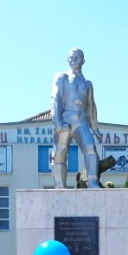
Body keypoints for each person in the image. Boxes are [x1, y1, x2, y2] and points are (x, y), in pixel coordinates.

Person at [50, 47, 102, 189]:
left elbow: (91, 106)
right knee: (59, 153)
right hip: (65, 120)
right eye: (71, 57)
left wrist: (95, 127)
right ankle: (59, 185)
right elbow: (55, 98)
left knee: (90, 148)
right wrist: (56, 120)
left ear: (83, 61)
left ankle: (93, 181)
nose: (73, 60)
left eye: (77, 57)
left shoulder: (87, 84)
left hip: (81, 122)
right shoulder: (62, 77)